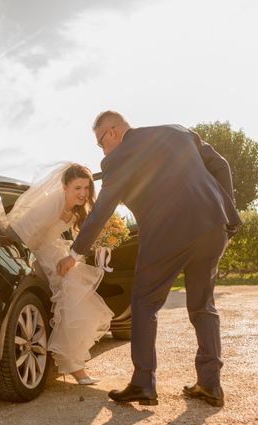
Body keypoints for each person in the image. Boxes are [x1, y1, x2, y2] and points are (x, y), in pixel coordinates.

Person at [57, 111, 242, 406]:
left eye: (100, 142)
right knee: (203, 305)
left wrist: (75, 253)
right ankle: (210, 384)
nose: (102, 150)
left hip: (167, 234)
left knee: (144, 303)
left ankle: (143, 382)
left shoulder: (116, 159)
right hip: (212, 226)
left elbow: (102, 208)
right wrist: (228, 212)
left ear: (113, 132)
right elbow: (221, 165)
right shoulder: (178, 132)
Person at [1, 163, 114, 384]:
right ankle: (73, 365)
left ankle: (73, 363)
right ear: (64, 187)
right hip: (40, 256)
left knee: (76, 299)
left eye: (86, 187)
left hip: (56, 252)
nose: (83, 193)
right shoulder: (52, 204)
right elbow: (23, 235)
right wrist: (39, 264)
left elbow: (82, 237)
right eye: (77, 188)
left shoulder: (77, 208)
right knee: (74, 298)